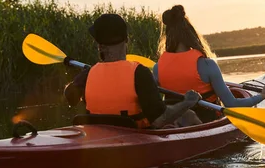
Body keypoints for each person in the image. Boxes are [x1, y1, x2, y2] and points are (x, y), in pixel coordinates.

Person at [64, 13, 202, 128]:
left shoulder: (88, 74)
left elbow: (70, 97)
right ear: (126, 39)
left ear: (99, 45)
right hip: (133, 138)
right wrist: (187, 102)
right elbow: (160, 120)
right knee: (188, 115)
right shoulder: (139, 73)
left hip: (97, 137)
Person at [153, 5, 265, 123]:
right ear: (190, 34)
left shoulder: (157, 68)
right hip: (205, 121)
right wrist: (262, 96)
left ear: (167, 36)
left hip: (174, 122)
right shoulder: (207, 65)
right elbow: (232, 104)